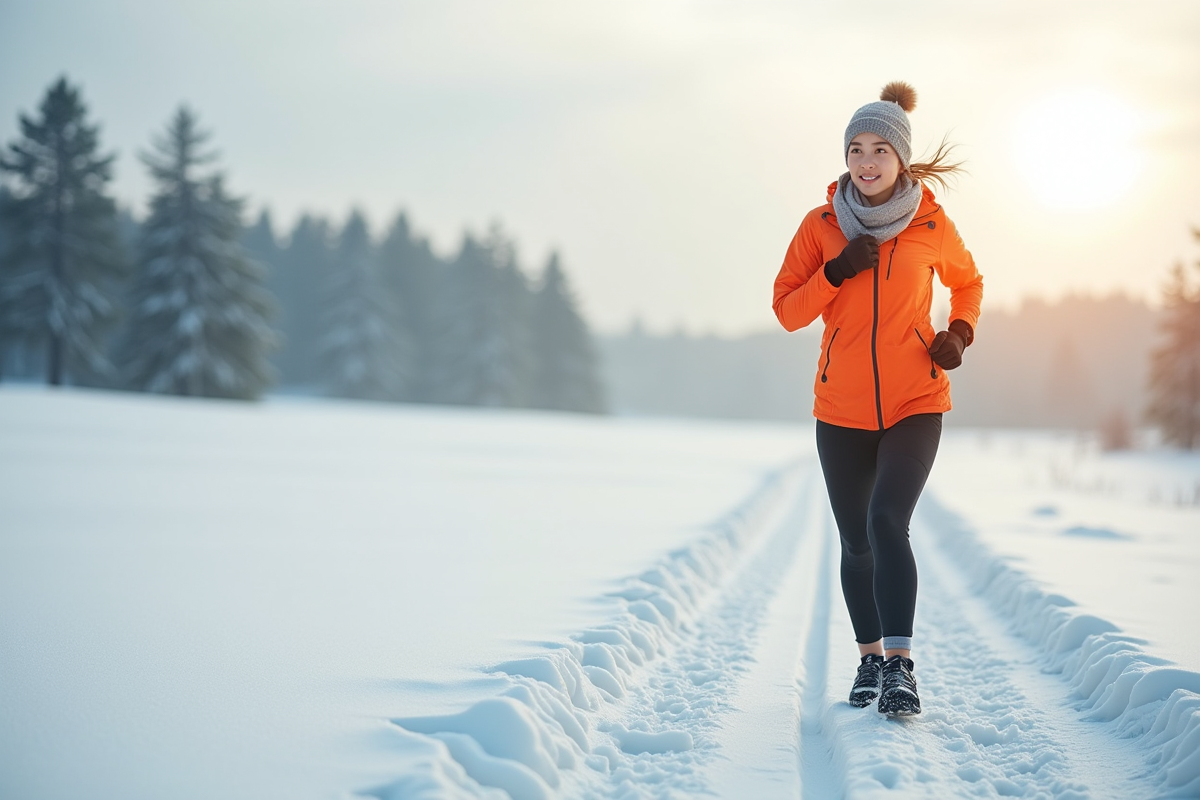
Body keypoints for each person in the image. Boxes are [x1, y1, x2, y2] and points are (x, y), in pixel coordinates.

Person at [771, 81, 983, 716]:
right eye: (855, 149)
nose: (865, 163)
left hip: (917, 398)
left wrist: (959, 333)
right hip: (841, 412)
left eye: (878, 151)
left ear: (901, 159)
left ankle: (900, 667)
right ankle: (868, 660)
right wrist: (835, 274)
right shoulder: (819, 226)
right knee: (857, 540)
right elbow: (785, 310)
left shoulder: (930, 222)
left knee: (888, 520)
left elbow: (968, 282)